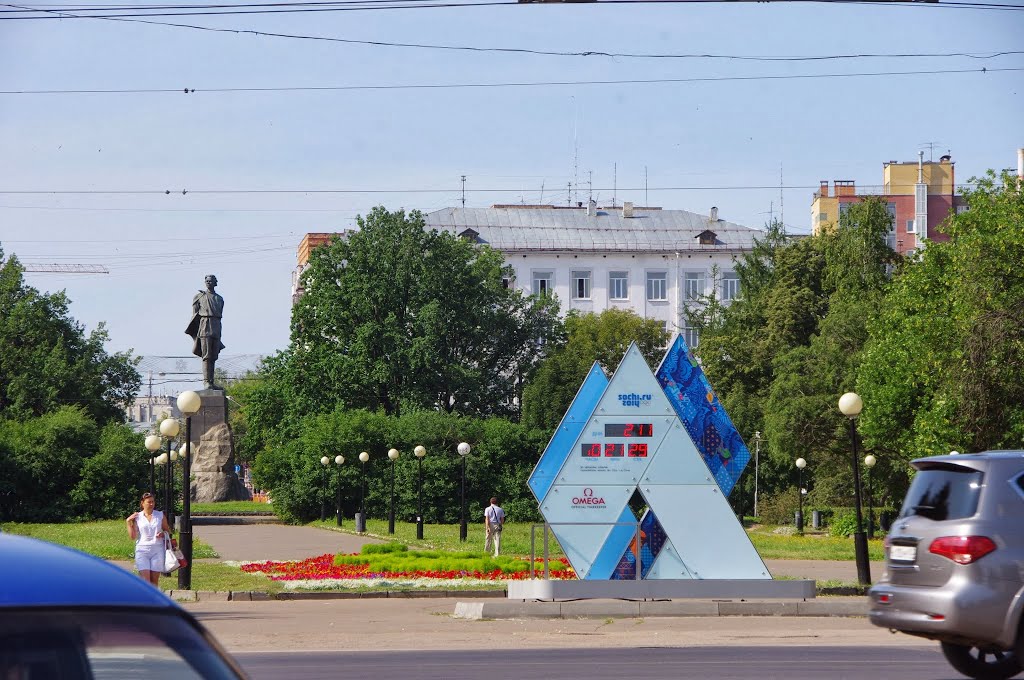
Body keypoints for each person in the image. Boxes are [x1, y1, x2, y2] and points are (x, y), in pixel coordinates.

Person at [185, 274, 225, 390]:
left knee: (213, 356)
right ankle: (206, 382)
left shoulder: (219, 299)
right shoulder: (199, 297)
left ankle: (212, 382)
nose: (208, 282)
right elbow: (195, 315)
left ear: (215, 283)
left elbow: (220, 312)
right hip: (204, 325)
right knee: (206, 356)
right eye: (207, 281)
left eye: (211, 281)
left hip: (216, 325)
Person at [126, 492, 173, 587]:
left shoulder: (160, 515)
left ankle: (153, 600)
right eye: (149, 502)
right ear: (142, 503)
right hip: (142, 550)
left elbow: (168, 531)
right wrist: (128, 522)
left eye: (153, 502)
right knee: (145, 580)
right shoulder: (137, 517)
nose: (151, 504)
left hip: (157, 550)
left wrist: (163, 534)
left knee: (154, 580)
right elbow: (132, 536)